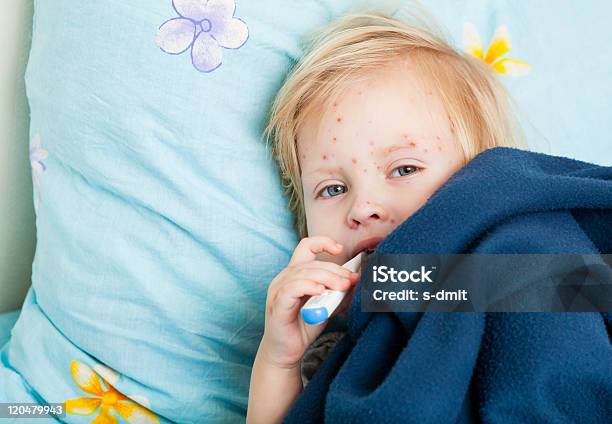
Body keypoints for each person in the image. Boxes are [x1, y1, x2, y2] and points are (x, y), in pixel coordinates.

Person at [247, 9, 523, 424]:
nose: (362, 208)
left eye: (404, 169)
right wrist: (280, 360)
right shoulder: (332, 350)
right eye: (333, 190)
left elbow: (582, 289)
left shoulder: (523, 257)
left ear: (481, 178)